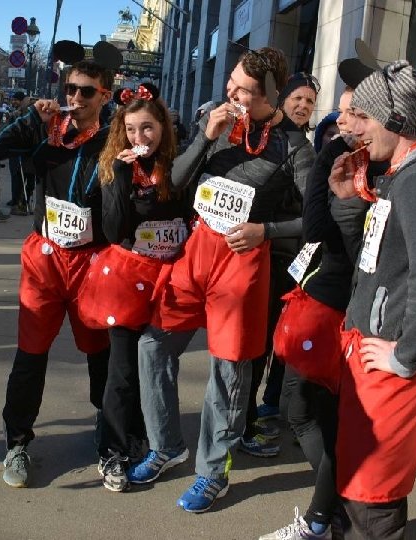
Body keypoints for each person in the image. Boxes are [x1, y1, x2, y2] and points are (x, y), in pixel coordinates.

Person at [130, 47, 316, 513]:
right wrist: (204, 137)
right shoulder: (218, 125)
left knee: (229, 369)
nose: (232, 93)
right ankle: (166, 444)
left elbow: (319, 220)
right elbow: (172, 180)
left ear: (271, 94)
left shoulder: (295, 146)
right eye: (231, 83)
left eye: (244, 90)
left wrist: (265, 231)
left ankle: (214, 471)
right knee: (152, 345)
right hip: (195, 251)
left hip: (242, 262)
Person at [328, 60, 416, 538]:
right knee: (361, 492)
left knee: (374, 501)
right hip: (371, 359)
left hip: (389, 370)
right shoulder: (396, 175)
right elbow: (373, 262)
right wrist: (351, 200)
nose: (351, 126)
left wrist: (405, 356)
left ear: (398, 120)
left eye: (363, 116)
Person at [259, 57, 386, 540]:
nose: (342, 121)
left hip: (340, 305)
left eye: (353, 114)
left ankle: (322, 514)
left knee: (311, 410)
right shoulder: (348, 162)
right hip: (334, 295)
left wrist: (322, 171)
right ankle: (330, 506)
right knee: (305, 410)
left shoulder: (370, 169)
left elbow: (317, 230)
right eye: (339, 114)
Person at [0, 59, 115, 489]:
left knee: (101, 354)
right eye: (69, 89)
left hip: (92, 263)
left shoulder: (113, 140)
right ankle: (16, 443)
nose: (74, 98)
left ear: (104, 95)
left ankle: (108, 434)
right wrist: (27, 120)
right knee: (30, 353)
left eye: (86, 91)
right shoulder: (47, 130)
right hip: (45, 258)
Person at [78, 83, 190, 492]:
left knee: (153, 365)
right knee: (122, 371)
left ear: (162, 126)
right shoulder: (115, 166)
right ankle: (111, 450)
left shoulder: (176, 166)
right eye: (130, 129)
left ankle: (145, 437)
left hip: (168, 280)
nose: (139, 138)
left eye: (147, 128)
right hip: (127, 278)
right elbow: (112, 230)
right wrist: (121, 177)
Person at [241, 71, 323, 459]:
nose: (304, 106)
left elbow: (313, 216)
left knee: (278, 340)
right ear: (280, 100)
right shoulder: (268, 140)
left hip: (292, 259)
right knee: (257, 344)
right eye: (298, 98)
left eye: (310, 101)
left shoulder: (304, 147)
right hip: (265, 255)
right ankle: (247, 418)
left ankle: (264, 407)